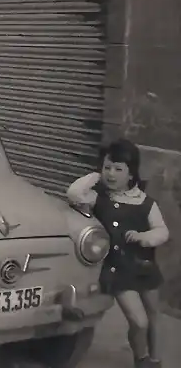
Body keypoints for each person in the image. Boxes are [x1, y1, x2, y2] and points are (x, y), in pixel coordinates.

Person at [66, 138, 169, 368]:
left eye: (118, 169)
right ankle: (141, 360)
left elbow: (162, 231)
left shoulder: (146, 203)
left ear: (131, 173)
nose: (111, 174)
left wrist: (145, 238)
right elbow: (74, 193)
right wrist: (95, 176)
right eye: (107, 167)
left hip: (144, 267)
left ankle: (155, 360)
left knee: (154, 316)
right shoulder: (99, 198)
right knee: (139, 321)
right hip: (118, 271)